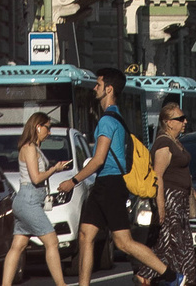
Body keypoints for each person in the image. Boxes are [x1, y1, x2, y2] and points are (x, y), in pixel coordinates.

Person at [68, 69, 163, 286]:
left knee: (123, 242)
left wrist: (73, 181)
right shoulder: (116, 117)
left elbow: (98, 159)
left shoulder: (107, 121)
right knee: (85, 235)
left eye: (98, 85)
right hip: (105, 183)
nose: (94, 88)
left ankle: (170, 275)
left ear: (108, 89)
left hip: (110, 184)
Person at [0, 113, 69, 286]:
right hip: (29, 200)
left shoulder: (34, 148)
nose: (50, 132)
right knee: (52, 241)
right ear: (38, 127)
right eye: (48, 127)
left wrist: (56, 169)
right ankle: (61, 285)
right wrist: (54, 169)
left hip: (26, 200)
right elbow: (36, 178)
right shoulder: (29, 147)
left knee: (18, 245)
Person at [153, 100, 196, 286]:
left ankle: (182, 279)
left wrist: (193, 193)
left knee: (181, 245)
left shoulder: (175, 142)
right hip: (171, 198)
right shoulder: (164, 144)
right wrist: (161, 206)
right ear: (168, 122)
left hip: (180, 198)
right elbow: (158, 176)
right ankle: (153, 275)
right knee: (171, 244)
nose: (185, 121)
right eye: (180, 118)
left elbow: (182, 173)